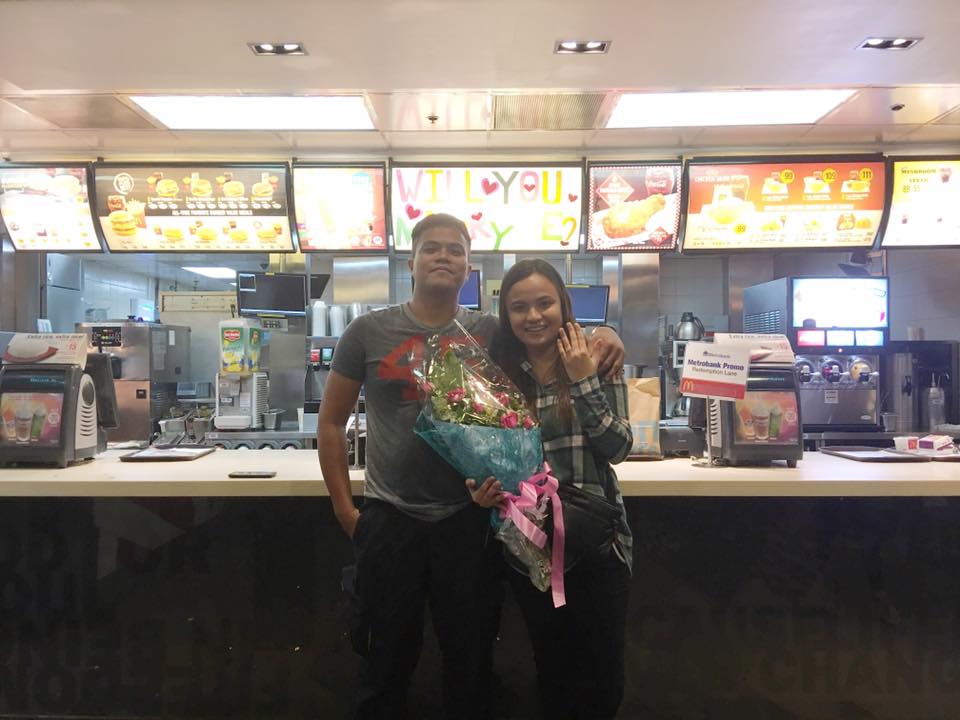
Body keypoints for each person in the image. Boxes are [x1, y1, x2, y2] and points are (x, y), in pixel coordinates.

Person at [317, 214, 624, 720]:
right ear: (410, 260)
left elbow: (546, 339)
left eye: (455, 250)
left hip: (470, 523)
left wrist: (606, 333)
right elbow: (331, 424)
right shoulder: (366, 332)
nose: (443, 257)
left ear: (468, 267)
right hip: (391, 518)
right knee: (384, 658)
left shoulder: (489, 332)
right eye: (432, 248)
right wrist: (347, 511)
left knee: (471, 660)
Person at [468, 258, 633, 720]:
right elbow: (491, 459)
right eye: (520, 307)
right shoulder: (498, 375)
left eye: (544, 303)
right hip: (532, 550)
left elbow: (618, 447)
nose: (533, 316)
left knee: (603, 681)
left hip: (597, 546)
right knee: (553, 675)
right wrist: (483, 490)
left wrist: (581, 379)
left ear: (563, 305)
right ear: (507, 316)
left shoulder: (597, 357)